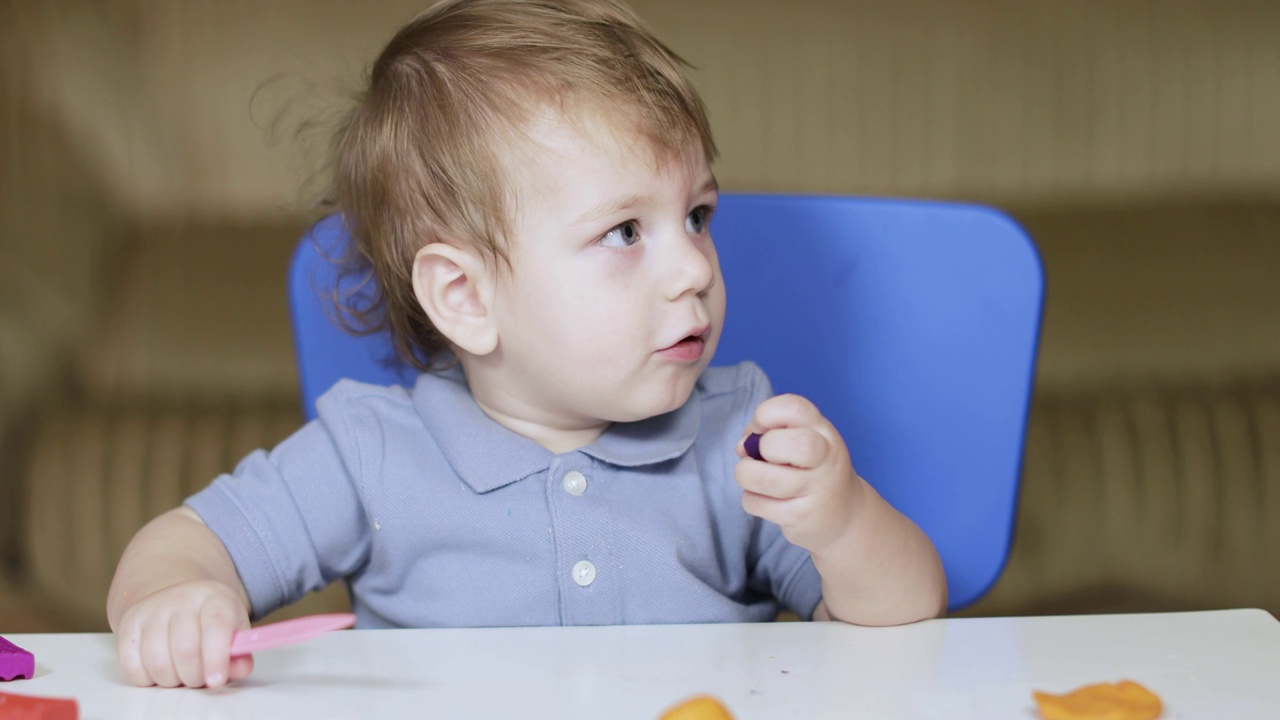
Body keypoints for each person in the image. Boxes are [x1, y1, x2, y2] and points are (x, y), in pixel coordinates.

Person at [106, 0, 947, 690]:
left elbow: (904, 624)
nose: (694, 265)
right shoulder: (371, 453)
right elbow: (183, 543)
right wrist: (181, 597)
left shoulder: (738, 435)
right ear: (467, 298)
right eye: (625, 231)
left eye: (697, 215)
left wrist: (840, 519)